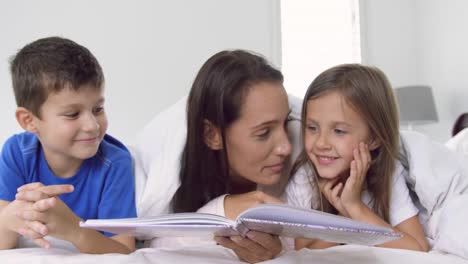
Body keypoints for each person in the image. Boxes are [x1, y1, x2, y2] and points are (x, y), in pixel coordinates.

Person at [138, 50, 301, 263]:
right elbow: (150, 241)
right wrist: (222, 210)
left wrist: (280, 252)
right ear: (212, 134)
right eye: (263, 133)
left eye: (285, 123)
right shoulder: (165, 166)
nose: (285, 147)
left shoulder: (302, 145)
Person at [0, 37, 136, 254]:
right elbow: (3, 242)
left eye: (98, 109)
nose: (92, 126)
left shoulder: (115, 163)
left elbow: (123, 251)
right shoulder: (16, 153)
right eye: (72, 114)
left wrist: (74, 229)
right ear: (29, 121)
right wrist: (10, 218)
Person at [288, 64, 430, 251]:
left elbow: (418, 248)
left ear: (374, 139)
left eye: (339, 131)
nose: (321, 143)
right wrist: (344, 218)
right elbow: (302, 252)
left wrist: (354, 207)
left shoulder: (388, 173)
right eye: (312, 128)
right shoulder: (305, 177)